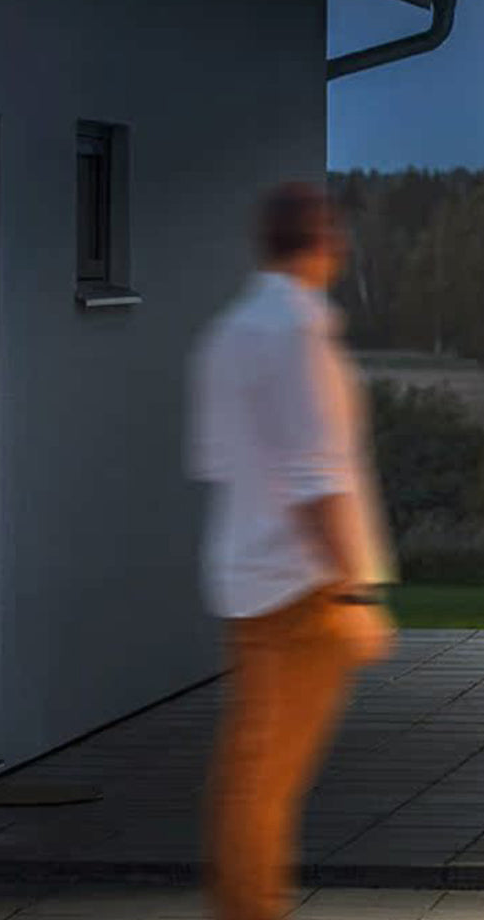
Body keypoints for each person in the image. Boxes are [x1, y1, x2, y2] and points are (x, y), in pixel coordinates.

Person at [186, 182, 397, 920]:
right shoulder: (297, 330)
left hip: (246, 576)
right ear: (323, 241)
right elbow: (318, 478)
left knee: (255, 767)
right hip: (300, 587)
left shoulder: (230, 331)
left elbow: (217, 460)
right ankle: (251, 908)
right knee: (268, 775)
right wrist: (352, 592)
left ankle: (247, 902)